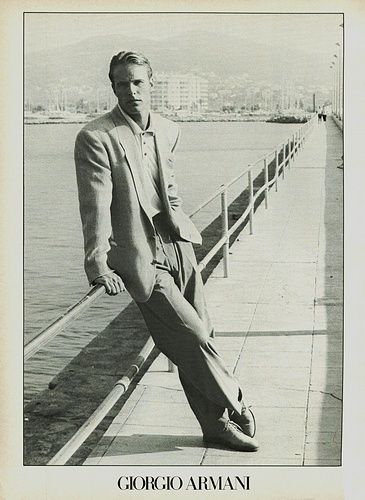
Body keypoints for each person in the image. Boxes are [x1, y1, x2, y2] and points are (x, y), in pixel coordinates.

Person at [74, 51, 259, 452]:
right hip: (141, 257)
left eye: (138, 82)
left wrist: (183, 230)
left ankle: (215, 427)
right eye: (122, 83)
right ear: (113, 87)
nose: (131, 90)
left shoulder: (169, 129)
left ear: (151, 84)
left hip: (178, 245)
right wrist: (97, 263)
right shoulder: (96, 137)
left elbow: (168, 189)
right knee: (191, 335)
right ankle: (237, 400)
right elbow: (95, 206)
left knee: (199, 335)